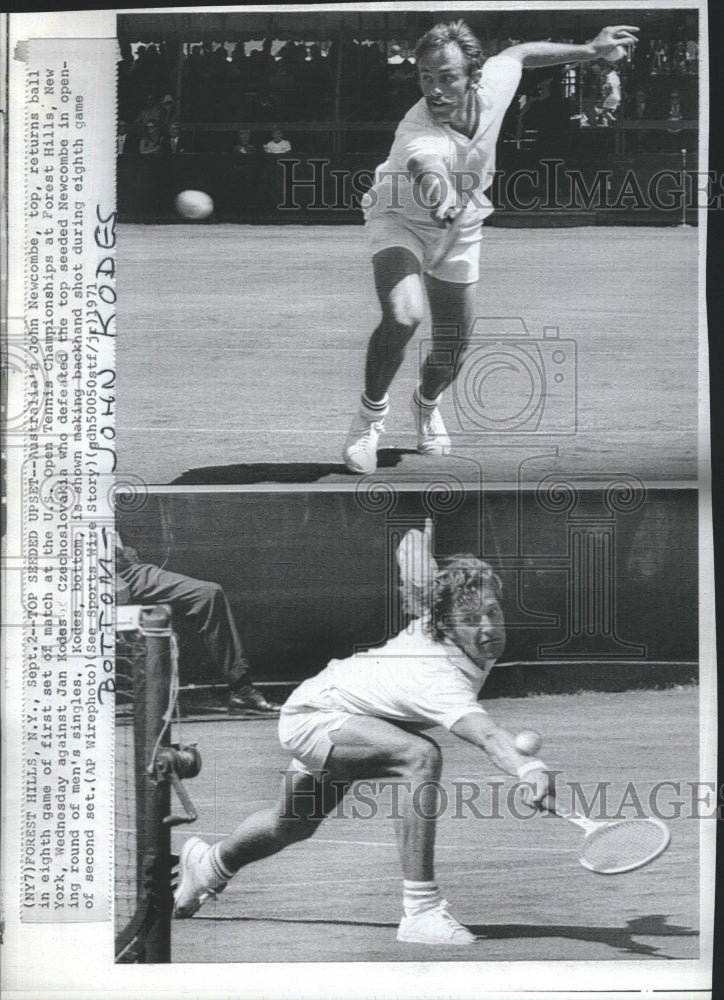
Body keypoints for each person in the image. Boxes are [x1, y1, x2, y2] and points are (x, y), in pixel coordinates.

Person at [173, 526, 557, 945]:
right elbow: (487, 735)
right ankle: (421, 912)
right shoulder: (438, 676)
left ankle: (207, 865)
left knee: (292, 823)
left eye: (493, 612)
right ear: (446, 626)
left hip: (356, 711)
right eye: (471, 619)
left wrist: (422, 554)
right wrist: (529, 768)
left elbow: (410, 544)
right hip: (317, 716)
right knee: (419, 757)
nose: (488, 627)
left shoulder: (440, 618)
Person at [342, 19, 639, 474]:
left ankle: (425, 405)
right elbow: (426, 167)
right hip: (398, 217)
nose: (434, 90)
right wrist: (441, 196)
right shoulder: (415, 131)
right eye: (425, 77)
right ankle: (369, 419)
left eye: (446, 78)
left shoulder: (494, 86)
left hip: (460, 226)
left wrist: (591, 50)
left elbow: (519, 54)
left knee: (452, 348)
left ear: (472, 77)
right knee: (404, 315)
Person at [116, 535, 281, 715]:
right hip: (90, 574)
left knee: (209, 593)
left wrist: (121, 550)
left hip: (122, 568)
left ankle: (242, 690)